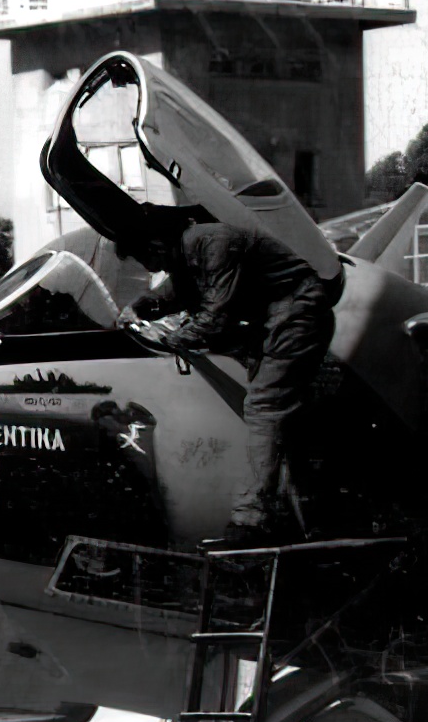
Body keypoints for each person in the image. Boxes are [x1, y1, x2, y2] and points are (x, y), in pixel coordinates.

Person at [123, 215, 343, 547]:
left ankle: (250, 521)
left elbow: (215, 316)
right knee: (279, 416)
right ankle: (304, 512)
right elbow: (180, 288)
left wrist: (172, 339)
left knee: (264, 408)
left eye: (149, 260)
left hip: (298, 310)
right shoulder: (193, 248)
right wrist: (145, 305)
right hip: (278, 314)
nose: (156, 268)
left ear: (157, 246)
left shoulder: (215, 244)